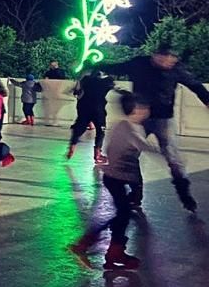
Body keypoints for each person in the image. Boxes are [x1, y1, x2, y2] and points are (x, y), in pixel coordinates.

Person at [110, 44, 209, 212]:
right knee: (130, 155)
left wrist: (207, 100)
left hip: (164, 119)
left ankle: (185, 195)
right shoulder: (139, 63)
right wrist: (91, 65)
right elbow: (116, 66)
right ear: (155, 56)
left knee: (173, 157)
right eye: (165, 60)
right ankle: (135, 194)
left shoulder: (176, 69)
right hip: (139, 117)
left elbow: (196, 85)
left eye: (172, 60)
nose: (169, 64)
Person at [69, 92, 158, 271]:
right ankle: (95, 246)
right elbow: (141, 145)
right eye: (144, 108)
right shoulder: (130, 129)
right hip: (116, 178)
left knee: (122, 215)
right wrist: (161, 150)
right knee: (122, 214)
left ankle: (107, 248)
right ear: (136, 109)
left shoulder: (124, 125)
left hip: (116, 177)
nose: (147, 111)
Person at [67, 69, 116, 163]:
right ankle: (97, 154)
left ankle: (72, 146)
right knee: (100, 131)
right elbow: (113, 86)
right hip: (98, 109)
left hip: (84, 107)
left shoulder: (86, 80)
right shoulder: (107, 81)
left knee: (79, 127)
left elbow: (78, 89)